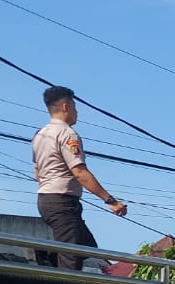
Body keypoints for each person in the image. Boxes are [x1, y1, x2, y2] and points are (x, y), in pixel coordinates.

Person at [32, 86, 128, 270]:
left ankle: (52, 263)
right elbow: (80, 172)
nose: (77, 112)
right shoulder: (67, 134)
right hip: (62, 202)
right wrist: (111, 200)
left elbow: (38, 173)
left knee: (88, 247)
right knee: (72, 257)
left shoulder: (39, 135)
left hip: (47, 200)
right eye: (75, 107)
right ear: (66, 106)